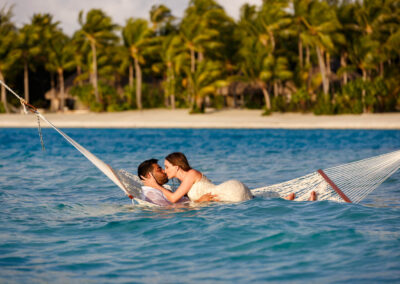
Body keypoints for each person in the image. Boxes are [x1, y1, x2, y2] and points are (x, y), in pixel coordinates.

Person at [141, 152, 254, 203]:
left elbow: (174, 198)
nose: (165, 171)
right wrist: (199, 201)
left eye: (166, 167)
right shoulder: (185, 181)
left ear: (176, 167)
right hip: (224, 198)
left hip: (232, 191)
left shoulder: (191, 174)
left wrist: (156, 186)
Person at [138, 159, 217, 206]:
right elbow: (167, 210)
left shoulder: (158, 190)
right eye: (159, 169)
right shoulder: (150, 193)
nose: (164, 171)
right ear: (149, 175)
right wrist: (199, 201)